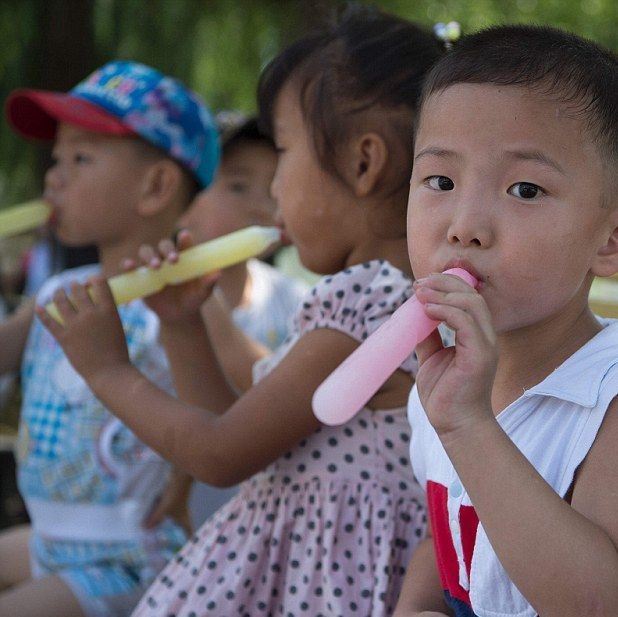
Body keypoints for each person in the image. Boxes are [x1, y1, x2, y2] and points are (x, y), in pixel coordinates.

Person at [39, 6, 444, 615]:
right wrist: (183, 322)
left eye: (283, 153)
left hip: (316, 582)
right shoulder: (390, 299)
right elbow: (242, 432)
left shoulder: (368, 305)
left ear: (363, 164)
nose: (274, 189)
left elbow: (219, 455)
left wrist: (106, 371)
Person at [395, 25, 618, 617]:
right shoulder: (447, 384)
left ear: (612, 239)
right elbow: (449, 538)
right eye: (441, 181)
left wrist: (468, 426)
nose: (465, 225)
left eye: (525, 189)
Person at [0, 60, 219, 617]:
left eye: (80, 158)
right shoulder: (59, 291)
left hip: (134, 558)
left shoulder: (184, 304)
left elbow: (220, 424)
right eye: (57, 159)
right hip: (51, 541)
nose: (54, 176)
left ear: (156, 186)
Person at [165, 112, 309, 528]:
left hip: (267, 522)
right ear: (178, 198)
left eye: (273, 188)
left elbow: (286, 404)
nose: (261, 206)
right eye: (237, 186)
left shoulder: (294, 300)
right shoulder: (149, 304)